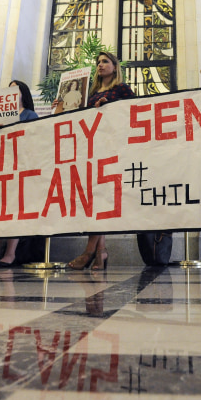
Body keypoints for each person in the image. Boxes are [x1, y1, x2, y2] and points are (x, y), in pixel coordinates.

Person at [67, 51, 134, 270]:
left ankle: (90, 252)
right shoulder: (91, 93)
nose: (100, 65)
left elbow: (135, 111)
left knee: (102, 198)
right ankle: (100, 252)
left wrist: (111, 108)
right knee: (96, 200)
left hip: (113, 148)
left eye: (105, 61)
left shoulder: (121, 89)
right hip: (92, 149)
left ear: (115, 67)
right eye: (98, 62)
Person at [0, 80, 39, 268]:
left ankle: (10, 253)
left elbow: (35, 138)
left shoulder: (29, 114)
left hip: (18, 165)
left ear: (23, 94)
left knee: (13, 209)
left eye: (16, 89)